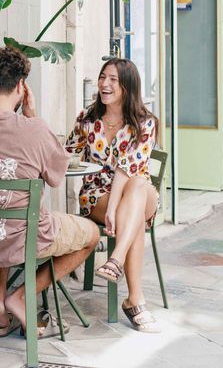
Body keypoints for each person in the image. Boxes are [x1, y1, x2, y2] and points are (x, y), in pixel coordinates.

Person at [0, 46, 99, 337]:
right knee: (91, 234)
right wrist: (33, 118)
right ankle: (20, 296)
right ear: (21, 86)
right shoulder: (33, 129)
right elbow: (57, 175)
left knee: (0, 215)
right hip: (20, 237)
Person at [65, 58, 160, 332]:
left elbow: (127, 169)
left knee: (139, 185)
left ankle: (115, 259)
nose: (104, 84)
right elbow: (67, 152)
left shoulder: (145, 123)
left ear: (128, 87)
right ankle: (135, 300)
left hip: (132, 190)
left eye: (113, 80)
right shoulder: (87, 119)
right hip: (97, 195)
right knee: (136, 216)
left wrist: (114, 206)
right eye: (102, 77)